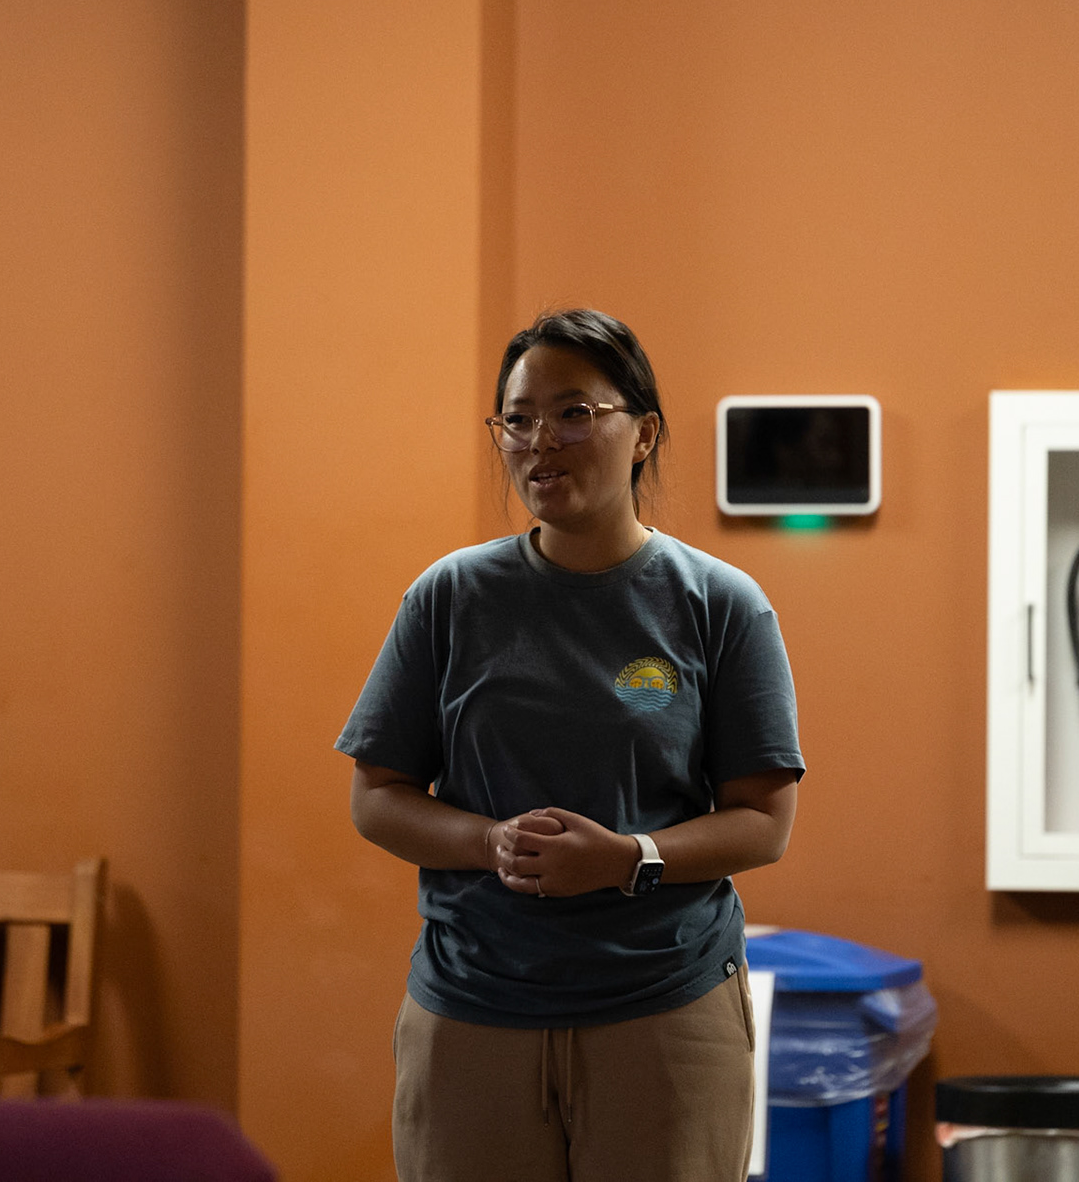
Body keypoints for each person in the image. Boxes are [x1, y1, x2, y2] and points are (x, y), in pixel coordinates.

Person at [339, 309, 805, 1182]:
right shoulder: (450, 596)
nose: (540, 441)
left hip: (665, 1011)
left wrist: (628, 859)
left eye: (574, 413)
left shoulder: (721, 604)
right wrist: (488, 841)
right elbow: (377, 796)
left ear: (644, 434)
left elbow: (762, 822)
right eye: (518, 419)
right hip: (472, 1010)